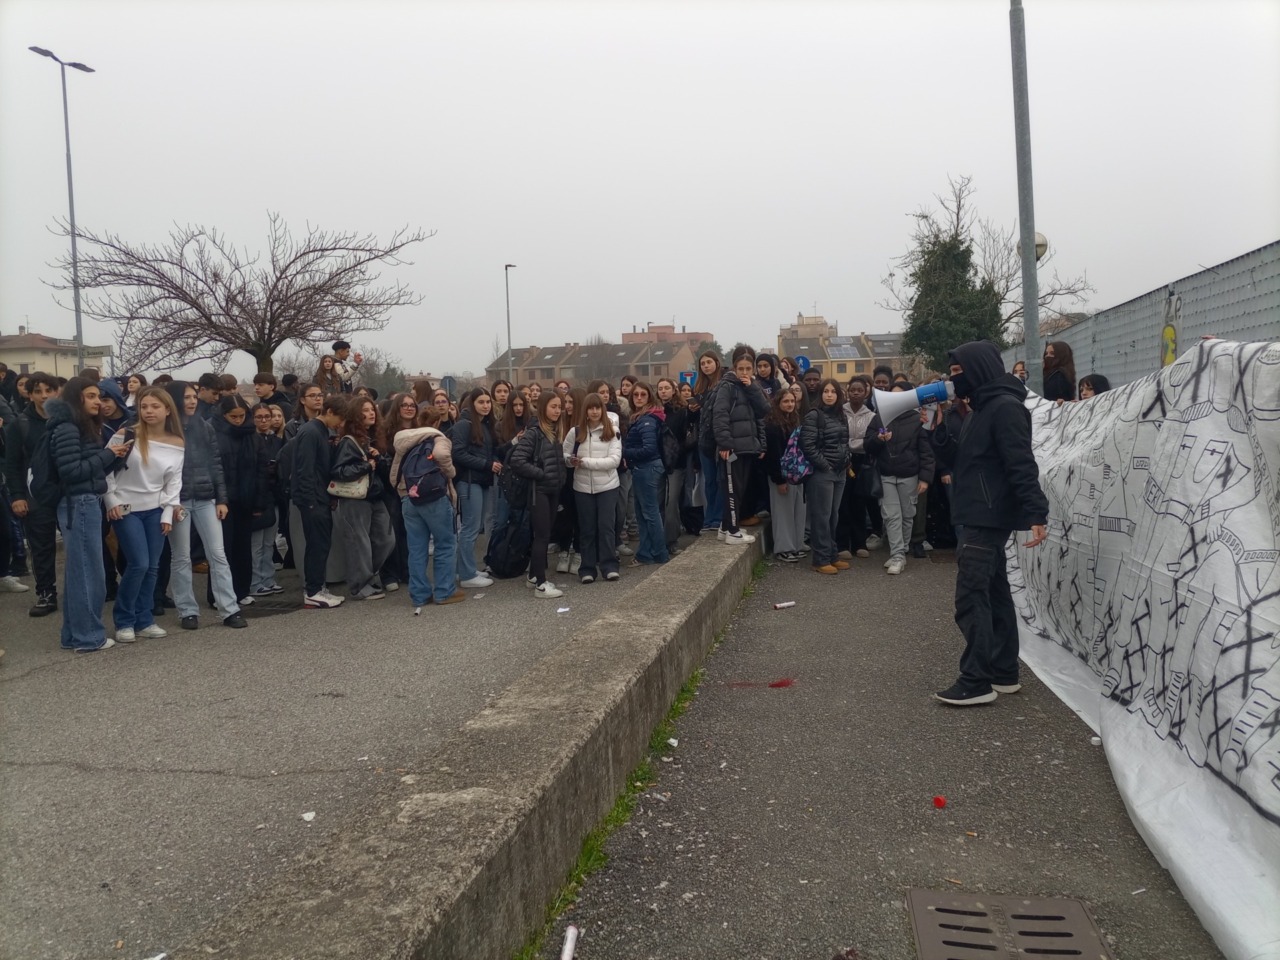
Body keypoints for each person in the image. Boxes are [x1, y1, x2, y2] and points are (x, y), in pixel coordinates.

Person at [931, 340, 1049, 706]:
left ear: (977, 370)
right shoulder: (981, 408)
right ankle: (1003, 672)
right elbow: (961, 459)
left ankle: (976, 681)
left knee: (970, 596)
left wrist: (1036, 512)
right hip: (979, 513)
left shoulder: (1004, 408)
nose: (953, 381)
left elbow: (1021, 462)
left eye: (957, 373)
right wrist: (938, 424)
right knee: (995, 594)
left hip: (985, 516)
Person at [47, 378, 131, 651]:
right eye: (92, 396)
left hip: (83, 501)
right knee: (87, 572)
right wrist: (108, 455)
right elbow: (71, 472)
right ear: (76, 398)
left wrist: (114, 455)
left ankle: (74, 635)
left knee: (79, 571)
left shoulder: (78, 426)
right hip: (78, 504)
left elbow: (88, 468)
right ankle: (89, 637)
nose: (98, 401)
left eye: (99, 396)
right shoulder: (68, 428)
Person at [161, 382, 246, 631]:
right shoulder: (166, 430)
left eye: (194, 396)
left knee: (218, 554)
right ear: (175, 399)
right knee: (181, 557)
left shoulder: (204, 427)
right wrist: (170, 502)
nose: (192, 401)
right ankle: (187, 611)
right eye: (186, 397)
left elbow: (216, 464)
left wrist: (221, 499)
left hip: (206, 498)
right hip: (178, 502)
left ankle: (229, 609)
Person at [104, 387, 184, 643]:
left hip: (156, 510)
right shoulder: (125, 434)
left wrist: (168, 511)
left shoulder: (177, 442)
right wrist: (111, 500)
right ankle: (124, 620)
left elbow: (174, 482)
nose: (149, 411)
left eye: (155, 407)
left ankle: (144, 619)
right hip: (126, 508)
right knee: (138, 563)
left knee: (152, 567)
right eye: (144, 406)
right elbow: (104, 469)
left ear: (167, 410)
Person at [390, 406, 463, 611]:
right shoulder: (438, 438)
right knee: (446, 543)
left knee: (416, 548)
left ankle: (419, 594)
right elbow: (441, 455)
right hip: (434, 497)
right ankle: (444, 591)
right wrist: (450, 472)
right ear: (437, 423)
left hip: (409, 498)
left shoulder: (404, 441)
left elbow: (394, 472)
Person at [3, 372, 60, 616]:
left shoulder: (67, 420)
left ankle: (98, 588)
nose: (44, 396)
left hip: (67, 492)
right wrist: (17, 496)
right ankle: (46, 594)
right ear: (29, 394)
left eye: (48, 390)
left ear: (57, 392)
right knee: (41, 547)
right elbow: (12, 463)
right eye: (38, 391)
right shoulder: (20, 424)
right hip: (34, 495)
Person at [864, 382, 935, 576]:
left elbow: (926, 452)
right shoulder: (879, 418)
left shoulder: (917, 419)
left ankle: (901, 550)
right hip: (886, 475)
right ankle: (897, 556)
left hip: (909, 475)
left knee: (907, 514)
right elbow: (868, 445)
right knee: (891, 515)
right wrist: (879, 440)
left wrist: (925, 478)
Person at [332, 395, 394, 600]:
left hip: (374, 495)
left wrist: (378, 458)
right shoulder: (348, 442)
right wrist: (367, 465)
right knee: (359, 542)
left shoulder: (370, 439)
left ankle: (367, 575)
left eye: (372, 410)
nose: (371, 414)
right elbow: (339, 471)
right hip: (355, 498)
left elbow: (381, 468)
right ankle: (360, 585)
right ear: (356, 415)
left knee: (386, 539)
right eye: (366, 410)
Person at [509, 391, 567, 598]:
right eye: (553, 406)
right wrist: (540, 474)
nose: (557, 410)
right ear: (543, 408)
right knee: (542, 536)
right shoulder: (534, 432)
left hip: (552, 490)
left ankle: (533, 575)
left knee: (543, 535)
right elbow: (517, 460)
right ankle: (541, 585)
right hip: (539, 491)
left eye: (559, 407)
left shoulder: (553, 431)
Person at [293, 394, 347, 608]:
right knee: (316, 544)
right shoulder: (310, 432)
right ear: (330, 412)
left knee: (322, 543)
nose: (340, 424)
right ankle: (313, 590)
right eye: (339, 419)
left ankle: (317, 587)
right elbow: (304, 469)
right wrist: (310, 501)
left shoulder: (321, 431)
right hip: (312, 498)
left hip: (320, 496)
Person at [711, 346, 769, 544]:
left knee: (740, 489)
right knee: (731, 489)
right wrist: (725, 443)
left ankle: (725, 527)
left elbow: (764, 410)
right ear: (734, 369)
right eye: (741, 369)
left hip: (747, 446)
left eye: (748, 369)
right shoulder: (727, 387)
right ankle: (733, 531)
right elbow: (720, 416)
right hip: (732, 447)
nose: (744, 373)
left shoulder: (752, 387)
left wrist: (752, 388)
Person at [212, 394, 264, 605]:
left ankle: (241, 590)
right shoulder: (213, 432)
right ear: (223, 415)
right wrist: (218, 498)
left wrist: (259, 501)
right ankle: (218, 595)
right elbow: (213, 469)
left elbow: (260, 469)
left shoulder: (252, 434)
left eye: (242, 415)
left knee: (243, 546)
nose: (238, 420)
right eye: (233, 416)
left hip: (245, 496)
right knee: (222, 548)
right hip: (222, 499)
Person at [564, 393, 621, 584]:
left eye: (598, 408)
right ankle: (587, 569)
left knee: (606, 527)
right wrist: (570, 461)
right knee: (587, 529)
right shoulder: (575, 431)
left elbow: (614, 461)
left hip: (607, 486)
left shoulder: (612, 431)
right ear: (585, 411)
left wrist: (585, 462)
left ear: (602, 410)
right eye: (591, 408)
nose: (594, 411)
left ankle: (609, 566)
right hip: (582, 487)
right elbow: (564, 454)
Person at [450, 388, 501, 589]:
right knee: (470, 527)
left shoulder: (486, 425)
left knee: (473, 525)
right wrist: (487, 465)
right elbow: (458, 453)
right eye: (481, 402)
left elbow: (491, 451)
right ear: (472, 404)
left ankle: (465, 569)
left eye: (488, 402)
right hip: (470, 481)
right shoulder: (464, 425)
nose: (486, 405)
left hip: (482, 480)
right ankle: (467, 574)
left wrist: (494, 461)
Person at [800, 378, 850, 574]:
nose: (829, 395)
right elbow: (808, 445)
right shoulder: (814, 415)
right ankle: (820, 559)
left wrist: (846, 461)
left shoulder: (841, 415)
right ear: (820, 394)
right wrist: (825, 465)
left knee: (833, 516)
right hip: (823, 473)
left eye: (833, 391)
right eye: (826, 391)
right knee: (821, 516)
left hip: (840, 472)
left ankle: (832, 555)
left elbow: (845, 441)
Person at [622, 381, 669, 566]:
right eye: (636, 395)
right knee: (643, 513)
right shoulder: (642, 416)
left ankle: (659, 553)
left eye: (643, 394)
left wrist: (624, 453)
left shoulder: (647, 419)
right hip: (645, 468)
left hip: (647, 468)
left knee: (649, 513)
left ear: (649, 396)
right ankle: (646, 553)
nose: (639, 398)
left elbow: (649, 449)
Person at [763, 388, 805, 562]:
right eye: (785, 401)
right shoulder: (772, 426)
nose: (789, 404)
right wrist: (778, 479)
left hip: (797, 474)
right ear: (778, 403)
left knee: (798, 511)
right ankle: (783, 548)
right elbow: (773, 455)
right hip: (781, 476)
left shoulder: (795, 421)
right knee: (783, 512)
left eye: (792, 401)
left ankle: (796, 545)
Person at [249, 404, 285, 597]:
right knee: (256, 544)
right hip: (256, 496)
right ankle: (255, 582)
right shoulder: (250, 440)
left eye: (267, 417)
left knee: (268, 542)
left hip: (273, 496)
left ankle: (268, 579)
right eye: (259, 417)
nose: (264, 420)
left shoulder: (277, 441)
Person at [840, 375, 876, 559]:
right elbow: (838, 439)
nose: (855, 393)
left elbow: (870, 442)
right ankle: (843, 545)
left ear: (866, 392)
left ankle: (860, 543)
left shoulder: (871, 416)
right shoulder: (840, 412)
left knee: (859, 503)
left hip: (863, 462)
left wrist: (852, 443)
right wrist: (856, 443)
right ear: (847, 391)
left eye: (859, 390)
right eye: (852, 390)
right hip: (842, 461)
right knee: (843, 503)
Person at [691, 350, 724, 535]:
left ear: (716, 363)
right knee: (709, 481)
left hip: (719, 439)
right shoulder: (701, 386)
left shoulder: (724, 383)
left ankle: (717, 518)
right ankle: (709, 518)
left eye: (709, 362)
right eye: (702, 363)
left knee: (720, 481)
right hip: (703, 440)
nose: (706, 366)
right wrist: (693, 407)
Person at [655, 377, 688, 554]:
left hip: (676, 463)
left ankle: (671, 541)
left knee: (671, 502)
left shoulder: (681, 411)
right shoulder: (654, 411)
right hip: (657, 462)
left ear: (673, 390)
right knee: (657, 502)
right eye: (660, 388)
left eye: (666, 388)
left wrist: (675, 454)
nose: (663, 391)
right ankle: (659, 540)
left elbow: (685, 438)